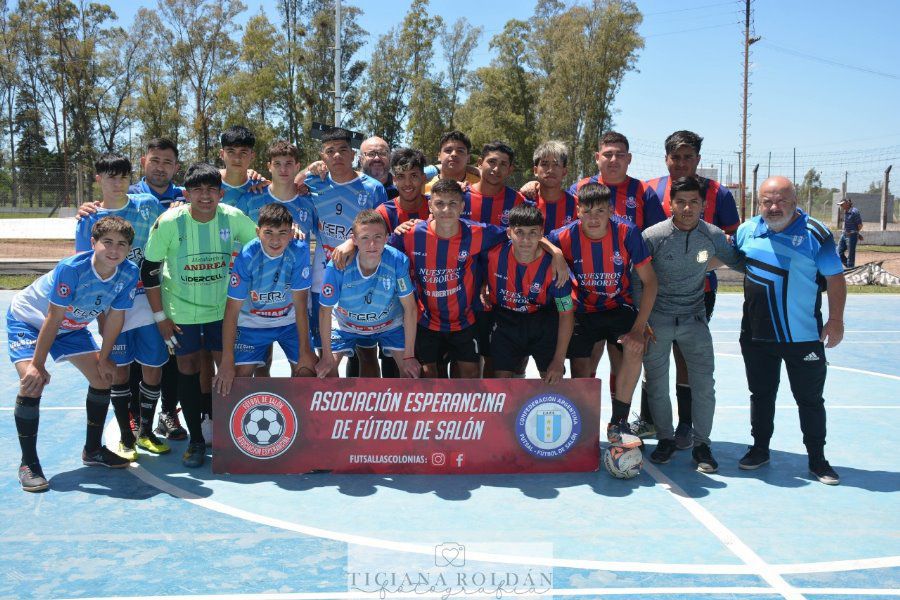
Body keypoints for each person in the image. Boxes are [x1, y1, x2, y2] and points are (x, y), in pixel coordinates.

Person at [8, 216, 139, 492]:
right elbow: (53, 317)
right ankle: (28, 463)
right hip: (31, 321)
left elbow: (115, 318)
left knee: (104, 378)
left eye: (121, 244)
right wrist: (37, 364)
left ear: (128, 249)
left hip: (72, 327)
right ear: (93, 243)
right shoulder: (72, 269)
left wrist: (104, 358)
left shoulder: (128, 272)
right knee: (33, 382)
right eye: (107, 242)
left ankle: (92, 450)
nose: (114, 249)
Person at [142, 163, 258, 468]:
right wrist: (160, 317)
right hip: (181, 312)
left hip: (222, 311)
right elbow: (149, 271)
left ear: (220, 193)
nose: (205, 196)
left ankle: (231, 436)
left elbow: (259, 247)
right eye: (198, 190)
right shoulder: (168, 222)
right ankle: (195, 439)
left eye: (211, 190)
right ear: (186, 193)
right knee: (188, 367)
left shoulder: (233, 218)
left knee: (226, 366)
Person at [734, 176, 846, 485]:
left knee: (809, 399)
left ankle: (817, 459)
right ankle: (759, 449)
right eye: (767, 201)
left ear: (795, 202)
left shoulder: (816, 234)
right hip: (756, 336)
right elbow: (722, 257)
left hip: (803, 338)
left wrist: (835, 320)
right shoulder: (746, 231)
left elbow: (835, 279)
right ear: (759, 203)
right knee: (761, 395)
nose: (774, 207)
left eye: (781, 200)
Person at [634, 130, 741, 446]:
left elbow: (731, 245)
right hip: (654, 294)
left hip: (698, 292)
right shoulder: (650, 189)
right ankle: (651, 421)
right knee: (651, 355)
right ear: (666, 159)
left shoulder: (719, 193)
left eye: (688, 157)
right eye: (675, 157)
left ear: (697, 159)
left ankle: (686, 425)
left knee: (684, 358)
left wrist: (699, 265)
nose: (681, 163)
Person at [75, 153, 171, 460]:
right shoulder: (89, 219)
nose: (118, 183)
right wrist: (100, 312)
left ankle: (145, 432)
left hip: (149, 299)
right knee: (118, 371)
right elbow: (86, 268)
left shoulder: (147, 204)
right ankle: (126, 436)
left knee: (153, 367)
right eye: (110, 177)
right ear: (98, 179)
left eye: (123, 176)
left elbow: (188, 198)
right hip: (113, 306)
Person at [547, 183, 657, 448]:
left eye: (600, 210)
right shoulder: (562, 237)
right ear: (578, 212)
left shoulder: (627, 232)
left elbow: (650, 282)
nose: (593, 217)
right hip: (583, 310)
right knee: (582, 368)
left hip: (619, 306)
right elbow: (533, 237)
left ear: (611, 210)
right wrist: (556, 252)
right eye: (587, 211)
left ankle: (618, 422)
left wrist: (639, 328)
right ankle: (583, 426)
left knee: (634, 348)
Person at [303, 128, 388, 379]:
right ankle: (330, 413)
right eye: (330, 151)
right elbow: (291, 185)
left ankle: (369, 412)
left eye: (343, 150)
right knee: (326, 354)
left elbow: (382, 229)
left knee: (367, 352)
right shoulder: (313, 183)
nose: (337, 155)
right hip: (322, 277)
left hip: (362, 276)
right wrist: (307, 169)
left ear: (352, 154)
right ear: (322, 156)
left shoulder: (372, 188)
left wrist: (353, 242)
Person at [213, 203, 317, 396]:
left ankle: (301, 422)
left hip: (289, 321)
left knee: (307, 370)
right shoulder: (247, 255)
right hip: (252, 323)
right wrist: (227, 361)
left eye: (283, 233)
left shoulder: (299, 249)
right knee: (238, 378)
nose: (275, 240)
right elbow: (232, 310)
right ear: (257, 231)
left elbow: (301, 306)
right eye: (268, 233)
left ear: (291, 232)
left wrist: (304, 352)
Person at [316, 210, 420, 379]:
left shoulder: (397, 261)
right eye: (365, 238)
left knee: (410, 372)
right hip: (346, 325)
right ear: (354, 239)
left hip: (389, 324)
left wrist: (409, 356)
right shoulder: (337, 265)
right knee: (326, 372)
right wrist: (327, 356)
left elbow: (410, 308)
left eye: (378, 237)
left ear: (387, 237)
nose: (372, 244)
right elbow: (324, 311)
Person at [482, 204, 575, 384]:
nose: (525, 239)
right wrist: (483, 284)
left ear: (541, 233)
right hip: (505, 320)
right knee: (501, 380)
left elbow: (566, 312)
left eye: (532, 232)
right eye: (520, 232)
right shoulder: (492, 254)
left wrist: (558, 360)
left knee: (552, 378)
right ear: (509, 233)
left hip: (542, 320)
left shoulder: (556, 268)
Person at [235, 140, 313, 229]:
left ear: (297, 167)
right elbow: (234, 231)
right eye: (277, 164)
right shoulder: (250, 198)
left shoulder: (309, 202)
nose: (283, 169)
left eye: (288, 164)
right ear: (269, 167)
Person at [376, 147, 431, 233]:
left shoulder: (437, 206)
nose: (407, 183)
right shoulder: (383, 213)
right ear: (394, 180)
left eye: (413, 176)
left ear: (423, 178)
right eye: (401, 176)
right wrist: (396, 237)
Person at [531, 141, 579, 235]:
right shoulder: (523, 201)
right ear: (535, 170)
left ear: (564, 172)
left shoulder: (577, 205)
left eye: (556, 164)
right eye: (544, 164)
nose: (550, 170)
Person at [129, 137, 185, 208]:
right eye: (154, 161)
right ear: (143, 163)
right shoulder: (125, 196)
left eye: (167, 162)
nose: (160, 168)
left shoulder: (187, 197)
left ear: (176, 168)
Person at [219, 125, 260, 206]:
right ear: (222, 154)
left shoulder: (259, 186)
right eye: (231, 152)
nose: (237, 159)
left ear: (252, 155)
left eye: (243, 153)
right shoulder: (207, 182)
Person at [838, 197, 863, 268]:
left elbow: (860, 225)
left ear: (847, 203)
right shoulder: (846, 211)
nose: (841, 206)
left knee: (850, 255)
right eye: (840, 205)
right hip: (844, 234)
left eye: (842, 204)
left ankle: (850, 269)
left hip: (851, 236)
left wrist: (856, 233)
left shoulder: (854, 212)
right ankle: (850, 268)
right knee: (838, 252)